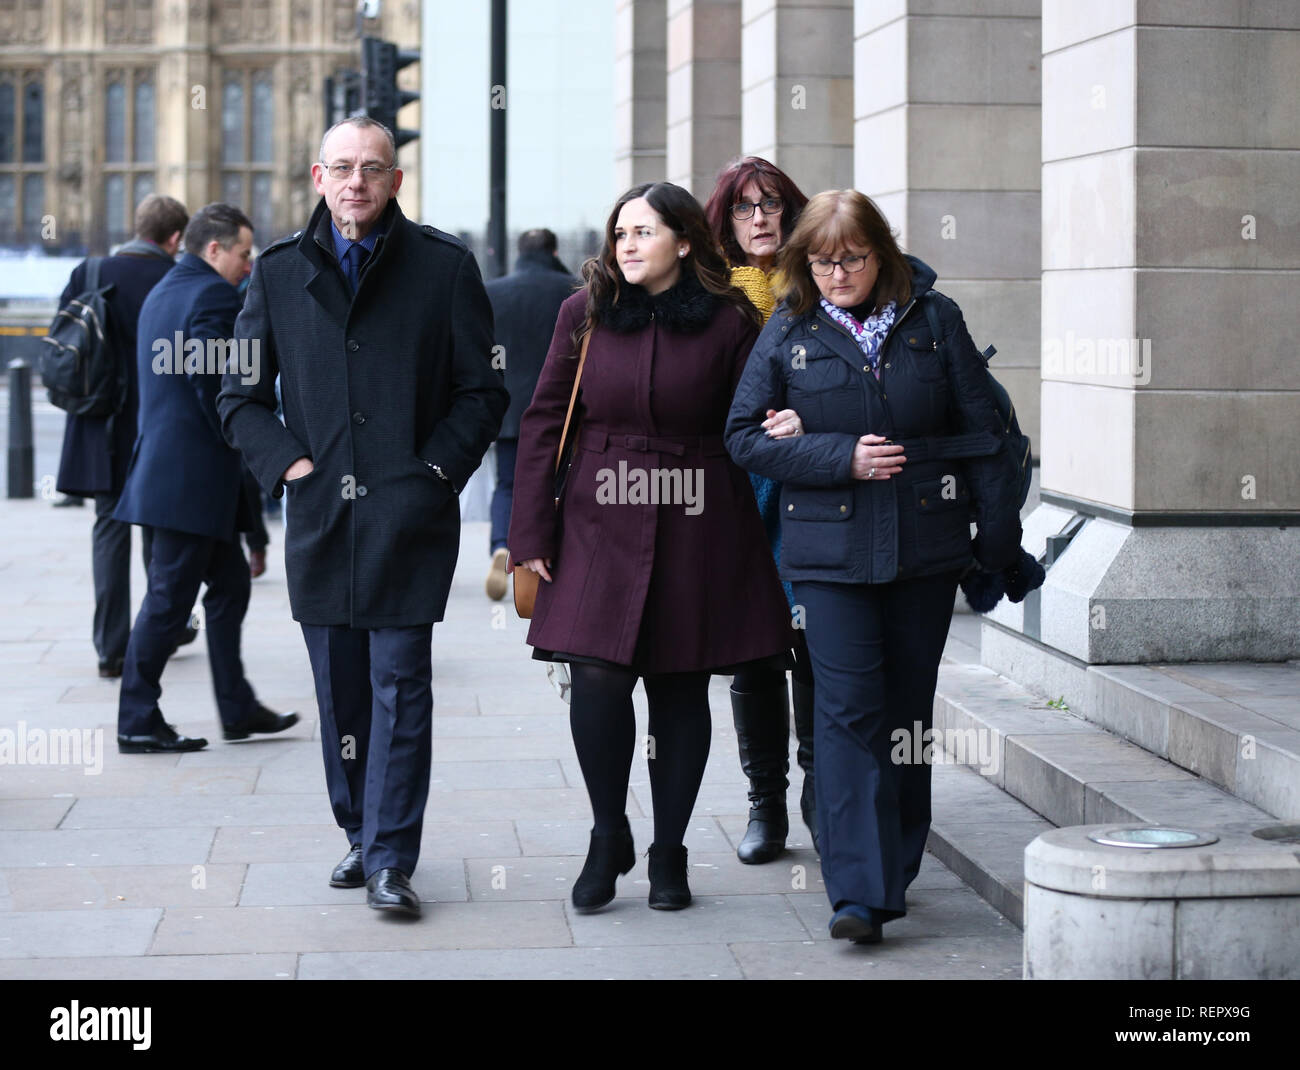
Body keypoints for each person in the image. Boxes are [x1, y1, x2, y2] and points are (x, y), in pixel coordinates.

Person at [218, 117, 507, 919]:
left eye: (372, 169)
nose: (357, 183)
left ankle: (390, 857)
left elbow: (481, 392)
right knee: (341, 694)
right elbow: (238, 397)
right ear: (318, 177)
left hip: (409, 519)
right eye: (342, 168)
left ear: (395, 181)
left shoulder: (444, 267)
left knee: (401, 687)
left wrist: (435, 473)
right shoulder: (276, 272)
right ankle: (359, 828)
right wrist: (292, 468)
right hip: (321, 519)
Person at [724, 190, 1024, 944]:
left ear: (881, 253)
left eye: (850, 258)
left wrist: (997, 545)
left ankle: (896, 860)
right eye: (821, 262)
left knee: (904, 716)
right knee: (848, 712)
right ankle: (858, 893)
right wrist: (836, 454)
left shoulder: (935, 321)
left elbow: (984, 435)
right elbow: (742, 437)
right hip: (827, 557)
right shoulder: (789, 330)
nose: (836, 275)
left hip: (924, 551)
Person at [508, 182, 792, 912]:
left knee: (678, 689)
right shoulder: (585, 312)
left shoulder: (731, 321)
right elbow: (544, 423)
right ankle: (609, 834)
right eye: (621, 233)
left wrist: (788, 426)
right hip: (598, 516)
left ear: (686, 242)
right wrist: (530, 531)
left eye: (644, 232)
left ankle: (671, 850)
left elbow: (754, 417)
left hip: (701, 516)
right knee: (597, 679)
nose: (627, 245)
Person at [114, 202, 298, 754]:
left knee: (228, 585)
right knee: (169, 601)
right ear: (214, 248)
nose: (249, 266)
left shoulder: (166, 289)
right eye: (244, 254)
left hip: (173, 476)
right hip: (189, 482)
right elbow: (219, 392)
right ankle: (136, 718)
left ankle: (237, 707)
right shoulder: (214, 296)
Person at [704, 156, 816, 863]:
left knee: (815, 647)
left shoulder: (821, 285)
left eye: (771, 203)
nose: (759, 218)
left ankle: (819, 798)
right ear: (724, 220)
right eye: (743, 208)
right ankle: (764, 806)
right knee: (753, 653)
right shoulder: (712, 298)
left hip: (814, 486)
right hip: (740, 492)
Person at [52, 193, 191, 678]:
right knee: (159, 533)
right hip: (155, 427)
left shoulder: (89, 273)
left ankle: (110, 649)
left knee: (109, 532)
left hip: (100, 424)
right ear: (175, 238)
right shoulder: (174, 279)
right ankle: (164, 630)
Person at [483, 228, 577, 599]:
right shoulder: (574, 290)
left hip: (509, 405)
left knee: (508, 482)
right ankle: (548, 558)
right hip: (561, 407)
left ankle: (501, 546)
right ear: (554, 250)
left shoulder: (494, 292)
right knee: (557, 485)